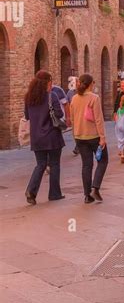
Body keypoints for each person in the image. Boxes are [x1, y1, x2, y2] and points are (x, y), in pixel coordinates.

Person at [24, 70, 65, 205]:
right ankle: (54, 194)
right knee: (54, 164)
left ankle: (31, 190)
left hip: (36, 136)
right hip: (52, 136)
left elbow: (27, 116)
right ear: (48, 82)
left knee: (40, 164)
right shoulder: (51, 96)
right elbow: (58, 114)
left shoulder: (28, 97)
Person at [70, 74, 108, 203]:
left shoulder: (74, 98)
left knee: (86, 165)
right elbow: (98, 119)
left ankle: (87, 196)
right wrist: (102, 137)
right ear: (90, 84)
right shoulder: (94, 98)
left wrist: (75, 135)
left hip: (80, 136)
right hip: (94, 136)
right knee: (103, 161)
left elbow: (73, 119)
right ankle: (95, 188)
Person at [66, 81, 79, 155]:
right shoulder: (70, 92)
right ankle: (78, 145)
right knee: (74, 132)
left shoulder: (83, 92)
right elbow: (67, 103)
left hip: (81, 115)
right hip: (73, 115)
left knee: (79, 131)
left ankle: (78, 147)